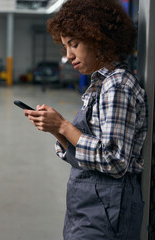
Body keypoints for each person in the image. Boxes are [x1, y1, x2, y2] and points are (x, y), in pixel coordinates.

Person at [24, 0, 148, 239]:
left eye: (74, 44)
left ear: (98, 38)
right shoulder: (99, 84)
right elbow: (85, 150)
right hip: (90, 204)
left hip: (108, 208)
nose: (68, 55)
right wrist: (54, 129)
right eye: (65, 46)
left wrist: (63, 125)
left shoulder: (118, 85)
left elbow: (114, 160)